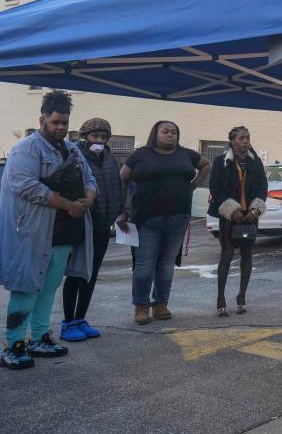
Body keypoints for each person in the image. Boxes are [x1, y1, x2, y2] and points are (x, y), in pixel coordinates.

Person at [0, 91, 97, 369]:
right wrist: (68, 205)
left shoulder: (73, 149)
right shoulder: (26, 149)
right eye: (55, 122)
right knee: (26, 287)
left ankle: (39, 337)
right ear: (42, 119)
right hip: (31, 232)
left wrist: (88, 198)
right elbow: (25, 185)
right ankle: (14, 343)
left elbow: (89, 176)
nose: (61, 127)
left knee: (49, 287)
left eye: (64, 122)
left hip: (62, 233)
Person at [118, 121, 209, 325]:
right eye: (165, 131)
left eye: (174, 132)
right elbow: (123, 178)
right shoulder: (140, 154)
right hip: (146, 218)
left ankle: (161, 304)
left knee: (167, 264)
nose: (170, 135)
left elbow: (205, 165)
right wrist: (123, 211)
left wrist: (193, 185)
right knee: (145, 264)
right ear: (155, 133)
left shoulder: (187, 154)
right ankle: (141, 306)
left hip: (178, 217)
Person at [59, 118, 123, 342]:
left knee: (92, 274)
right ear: (85, 137)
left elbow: (118, 186)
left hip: (103, 226)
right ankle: (67, 322)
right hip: (82, 224)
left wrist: (118, 212)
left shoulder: (110, 159)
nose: (99, 141)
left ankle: (80, 318)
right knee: (76, 273)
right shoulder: (75, 156)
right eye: (95, 136)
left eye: (104, 137)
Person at [207, 126, 268, 317]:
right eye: (241, 138)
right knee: (226, 254)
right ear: (232, 141)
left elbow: (262, 186)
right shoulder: (220, 162)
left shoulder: (255, 161)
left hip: (249, 216)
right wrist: (232, 210)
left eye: (247, 137)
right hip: (230, 216)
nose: (245, 141)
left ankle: (241, 297)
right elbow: (215, 188)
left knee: (247, 255)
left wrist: (255, 209)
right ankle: (220, 298)